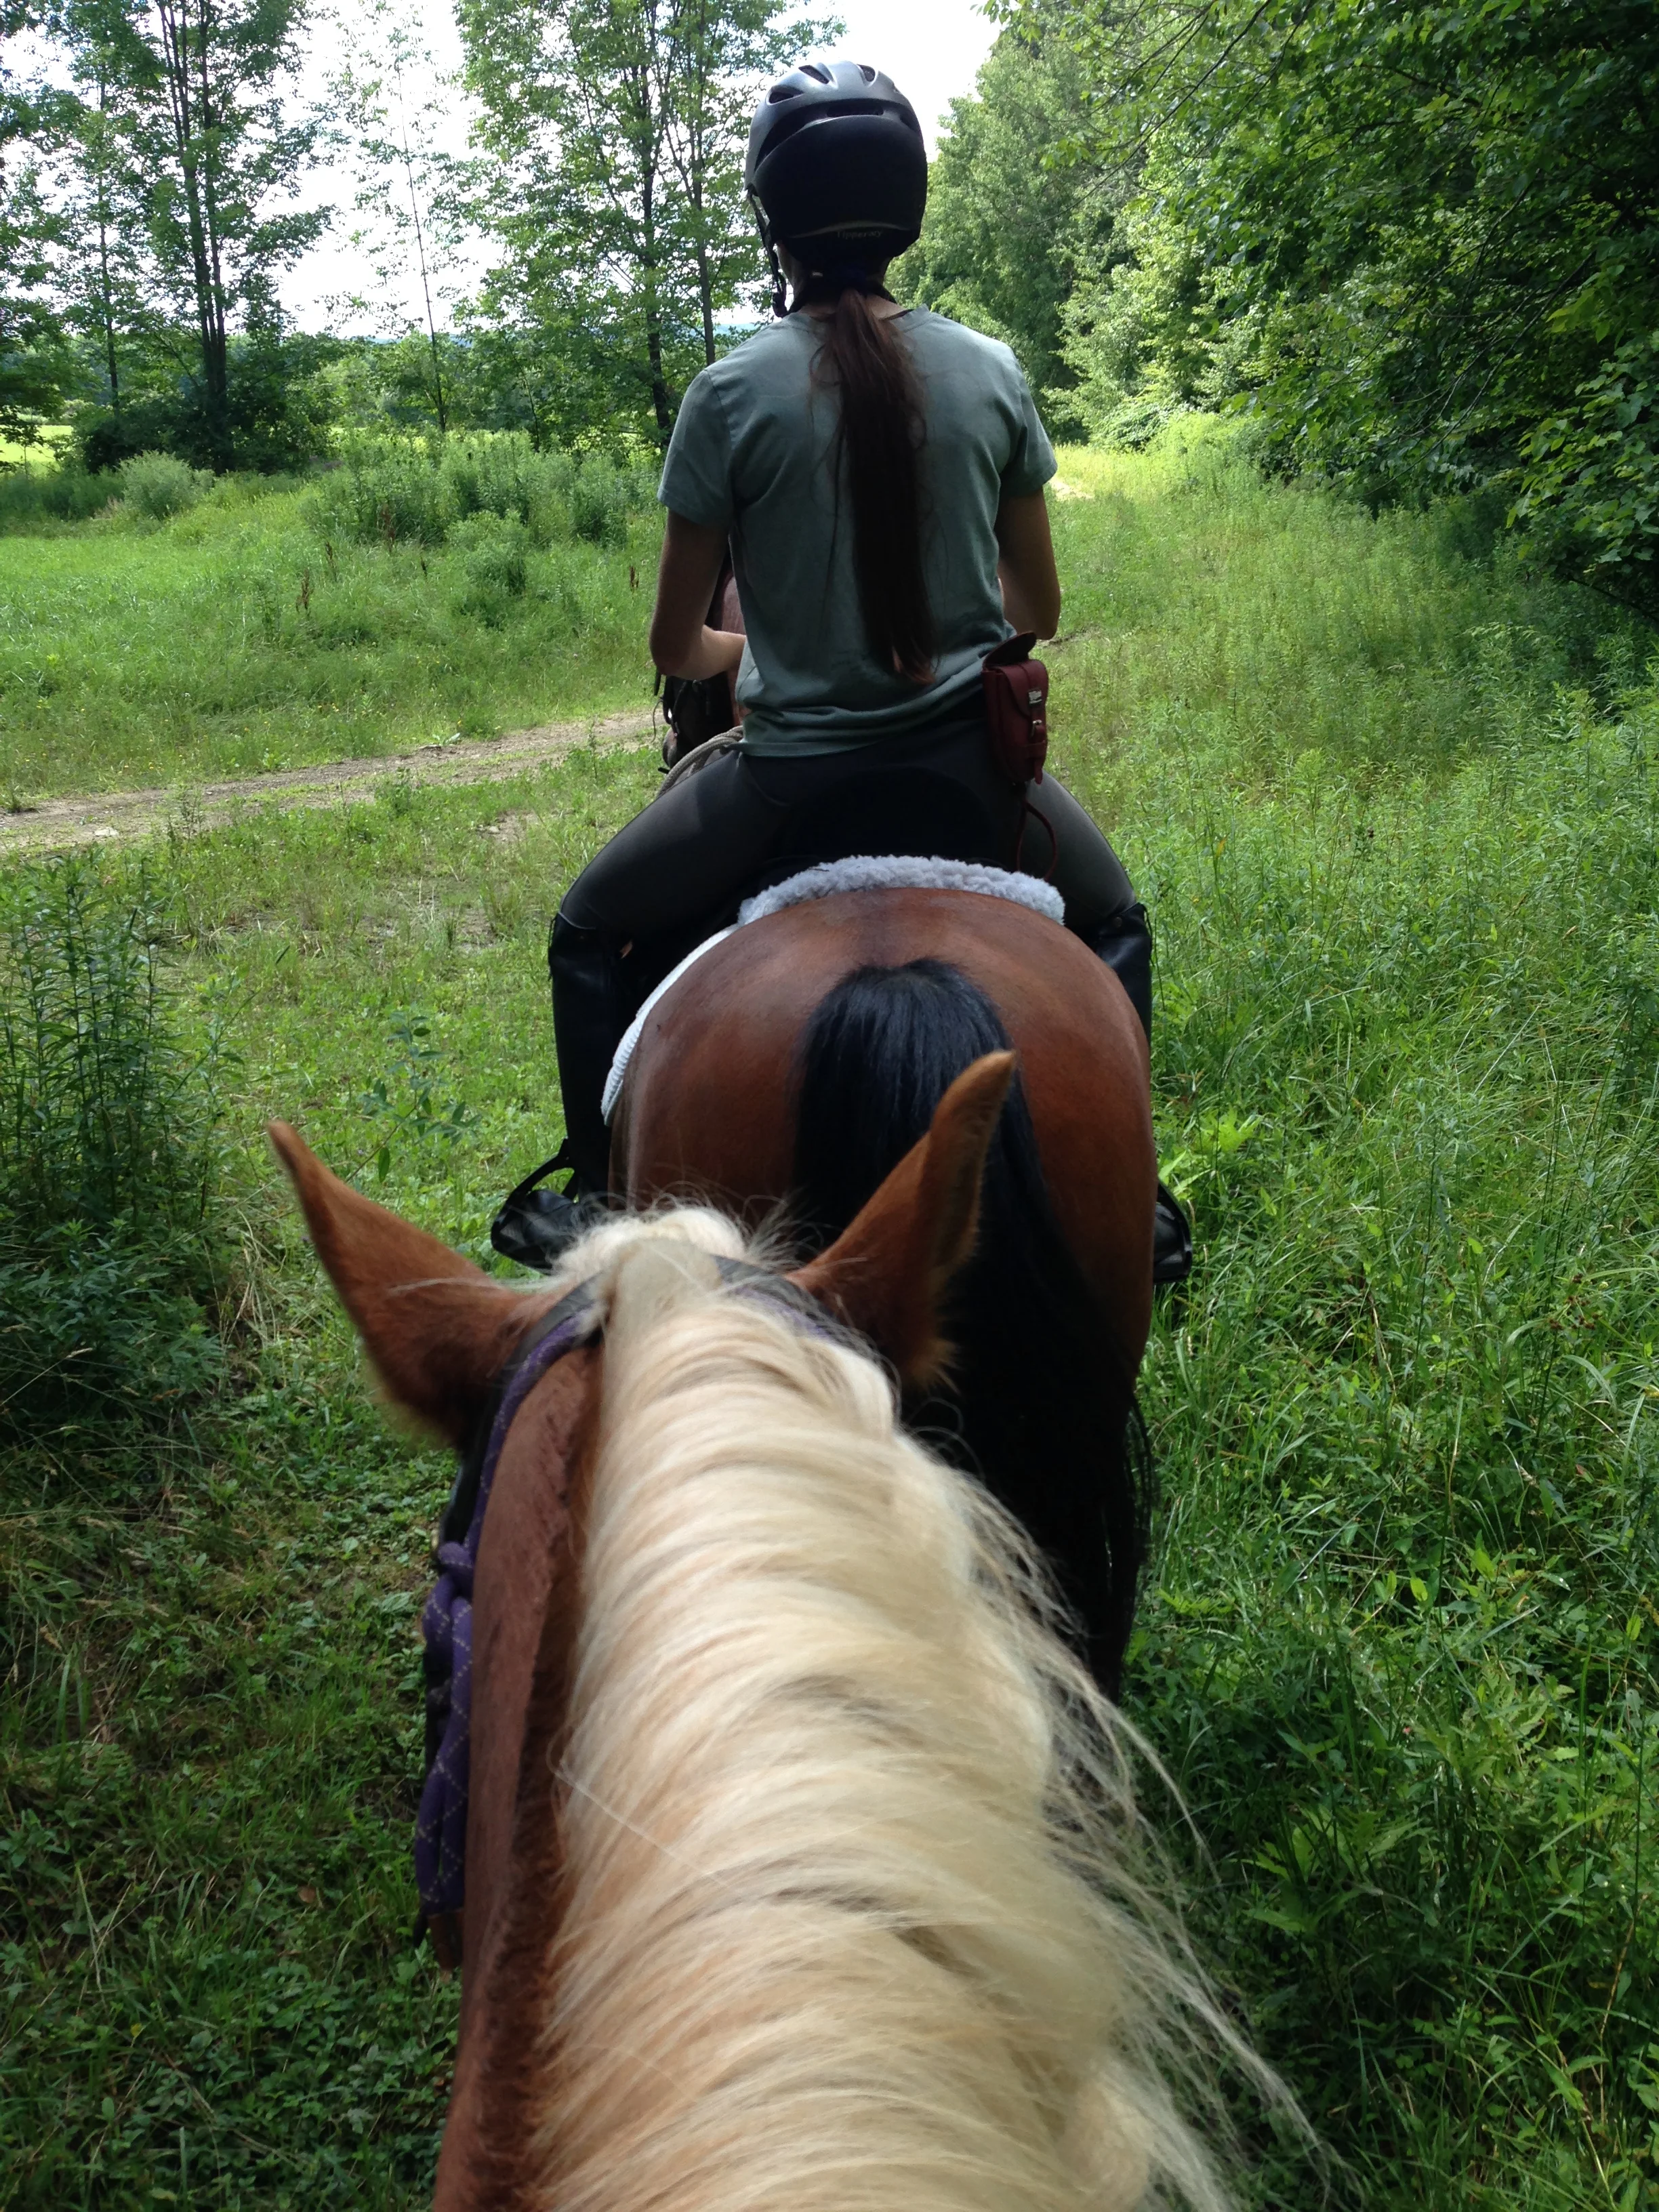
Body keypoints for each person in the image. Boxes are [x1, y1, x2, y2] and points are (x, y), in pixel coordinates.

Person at [523, 60, 1188, 1280]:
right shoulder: (991, 370)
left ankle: (588, 1208)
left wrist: (766, 651)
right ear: (908, 206)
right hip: (971, 782)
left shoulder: (727, 395)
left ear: (771, 219)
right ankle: (1137, 1206)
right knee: (1117, 921)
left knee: (582, 928)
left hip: (782, 785)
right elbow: (1035, 607)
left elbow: (680, 649)